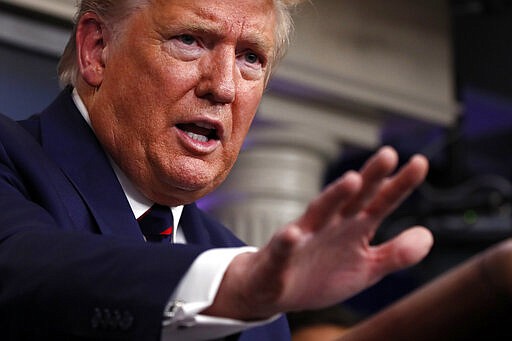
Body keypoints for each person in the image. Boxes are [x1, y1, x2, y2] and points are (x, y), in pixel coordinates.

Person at [0, 0, 433, 340]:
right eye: (190, 39)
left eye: (250, 58)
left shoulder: (255, 296)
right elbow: (23, 266)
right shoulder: (236, 283)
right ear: (97, 50)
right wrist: (230, 289)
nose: (223, 86)